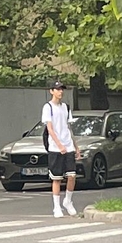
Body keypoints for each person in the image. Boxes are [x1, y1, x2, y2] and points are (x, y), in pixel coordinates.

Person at [40, 82, 77, 217]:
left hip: (68, 145)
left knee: (72, 175)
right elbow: (50, 128)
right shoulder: (48, 107)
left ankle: (68, 200)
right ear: (51, 91)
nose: (60, 92)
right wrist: (59, 145)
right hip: (56, 147)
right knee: (57, 178)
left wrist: (75, 146)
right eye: (57, 89)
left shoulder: (66, 107)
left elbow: (69, 128)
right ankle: (56, 206)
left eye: (61, 89)